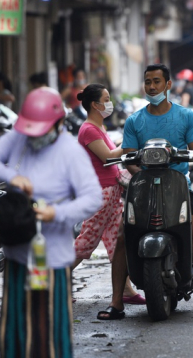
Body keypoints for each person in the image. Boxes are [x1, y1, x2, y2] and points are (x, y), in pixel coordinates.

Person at [0, 87, 101, 357]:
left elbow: (92, 198)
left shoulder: (71, 152)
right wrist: (11, 176)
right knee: (16, 325)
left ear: (58, 123)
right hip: (18, 253)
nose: (34, 136)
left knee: (48, 327)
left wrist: (57, 213)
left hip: (51, 258)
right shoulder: (20, 137)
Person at [97, 63, 193, 320]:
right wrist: (140, 176)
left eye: (157, 81)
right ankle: (116, 302)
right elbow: (128, 158)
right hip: (143, 187)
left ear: (168, 85)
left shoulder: (186, 116)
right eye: (148, 82)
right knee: (124, 236)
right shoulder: (135, 120)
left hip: (179, 185)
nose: (152, 87)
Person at [71, 84, 145, 305]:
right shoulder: (89, 130)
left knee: (117, 242)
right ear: (95, 104)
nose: (109, 102)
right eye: (106, 98)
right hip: (99, 194)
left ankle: (127, 290)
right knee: (86, 243)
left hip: (111, 192)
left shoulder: (99, 127)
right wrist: (130, 142)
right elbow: (109, 157)